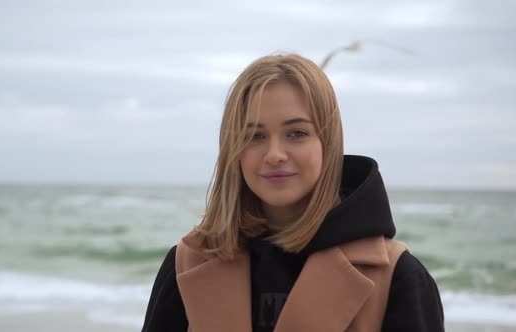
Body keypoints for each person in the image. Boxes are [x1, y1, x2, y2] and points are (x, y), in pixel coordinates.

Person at [142, 53, 444, 331]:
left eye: (296, 133)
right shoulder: (186, 266)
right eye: (255, 136)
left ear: (328, 143)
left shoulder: (397, 278)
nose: (274, 154)